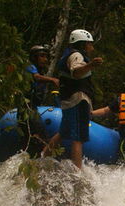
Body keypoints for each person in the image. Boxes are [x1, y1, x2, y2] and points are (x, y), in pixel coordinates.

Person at [42, 29, 103, 169]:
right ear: (82, 44)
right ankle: (78, 172)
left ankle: (43, 157)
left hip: (69, 101)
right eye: (89, 44)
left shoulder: (69, 54)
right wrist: (91, 65)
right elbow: (76, 72)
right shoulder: (76, 55)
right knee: (79, 138)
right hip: (76, 100)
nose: (92, 48)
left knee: (63, 133)